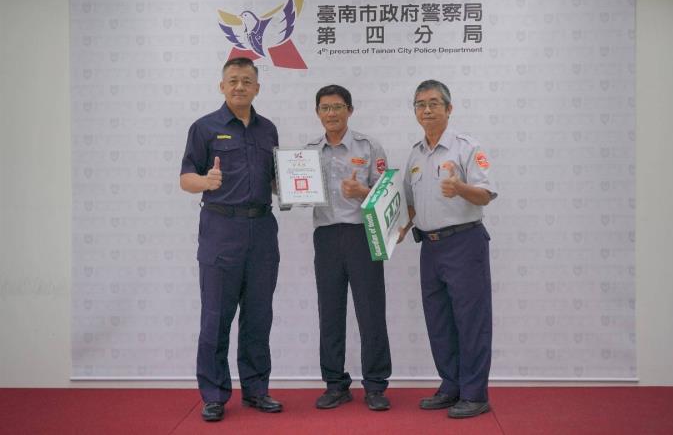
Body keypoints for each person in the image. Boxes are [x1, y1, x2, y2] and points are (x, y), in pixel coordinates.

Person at [180, 57, 283, 422]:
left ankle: (256, 390)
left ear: (257, 88)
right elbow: (185, 178)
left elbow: (275, 180)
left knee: (258, 316)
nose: (240, 87)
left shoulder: (268, 130)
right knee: (216, 316)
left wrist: (298, 186)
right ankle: (213, 394)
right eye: (233, 80)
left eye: (247, 81)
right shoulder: (204, 128)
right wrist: (205, 182)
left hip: (262, 231)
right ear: (222, 86)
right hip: (221, 231)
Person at [398, 80, 497, 419]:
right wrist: (398, 229)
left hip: (464, 243)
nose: (426, 110)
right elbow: (411, 204)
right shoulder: (415, 154)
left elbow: (485, 195)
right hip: (430, 248)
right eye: (420, 104)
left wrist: (460, 188)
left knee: (471, 321)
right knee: (439, 321)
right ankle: (451, 385)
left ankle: (474, 394)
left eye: (434, 103)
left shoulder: (467, 147)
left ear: (449, 108)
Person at [304, 84, 393, 411]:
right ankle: (335, 384)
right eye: (325, 108)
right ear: (318, 113)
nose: (331, 113)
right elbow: (294, 188)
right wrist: (287, 188)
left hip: (363, 234)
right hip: (326, 237)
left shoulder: (369, 146)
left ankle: (376, 385)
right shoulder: (308, 152)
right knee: (329, 312)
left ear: (350, 111)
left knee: (371, 311)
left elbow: (387, 195)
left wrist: (363, 192)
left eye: (338, 107)